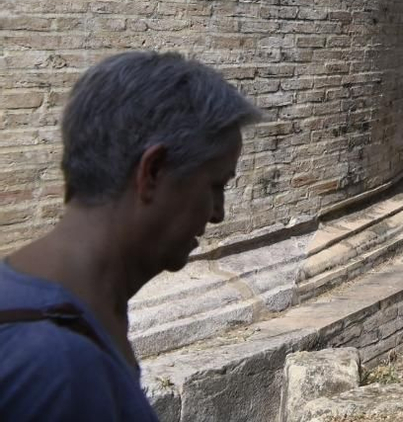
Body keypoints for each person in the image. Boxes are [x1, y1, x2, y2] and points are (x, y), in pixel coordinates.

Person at [0, 51, 261, 419]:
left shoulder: (79, 307)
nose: (218, 214)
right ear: (152, 172)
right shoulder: (57, 369)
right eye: (216, 185)